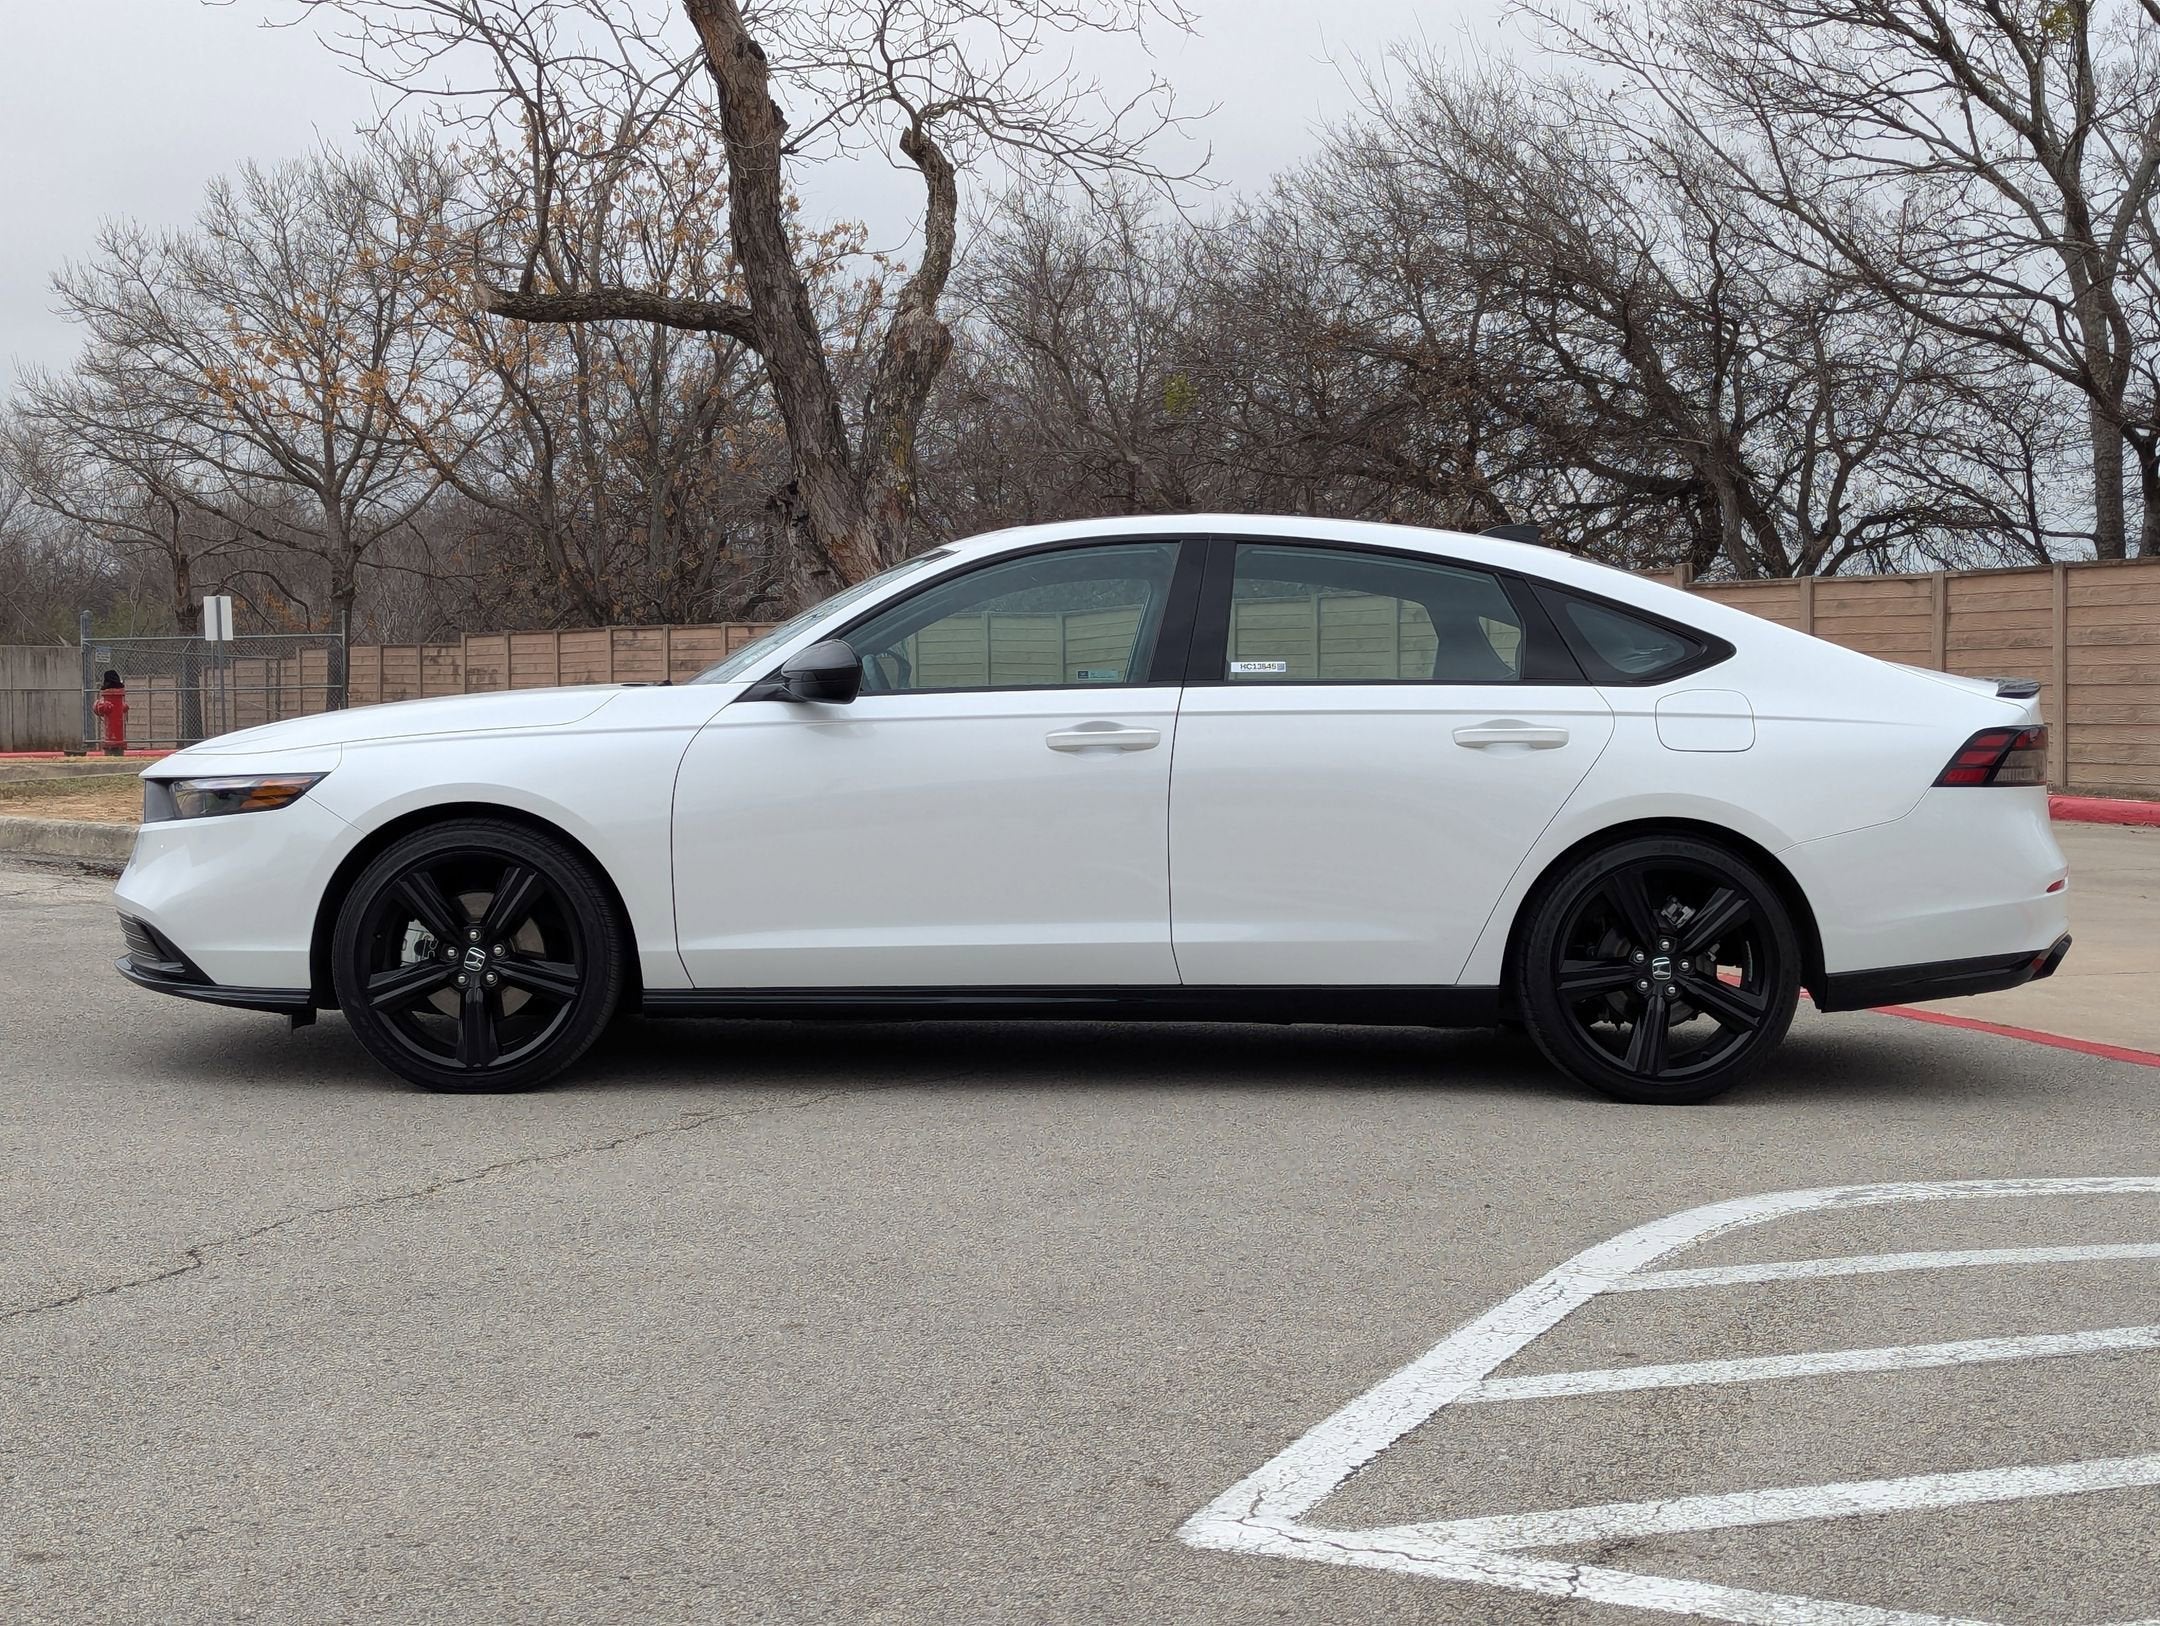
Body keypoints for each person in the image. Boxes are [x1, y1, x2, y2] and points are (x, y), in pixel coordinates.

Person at [92, 669, 127, 757]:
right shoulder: (119, 693)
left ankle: (112, 744)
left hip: (111, 739)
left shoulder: (106, 697)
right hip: (119, 738)